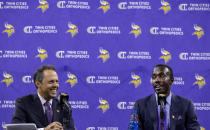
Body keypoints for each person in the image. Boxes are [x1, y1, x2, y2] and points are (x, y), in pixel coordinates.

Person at [130, 64, 200, 130]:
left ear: (171, 80)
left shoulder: (186, 104)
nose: (156, 80)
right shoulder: (140, 105)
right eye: (154, 77)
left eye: (161, 76)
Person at [11, 65, 75, 130]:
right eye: (51, 82)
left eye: (57, 81)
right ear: (38, 84)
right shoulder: (24, 102)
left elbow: (70, 128)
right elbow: (16, 128)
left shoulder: (63, 105)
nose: (55, 85)